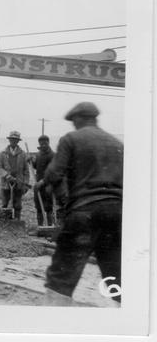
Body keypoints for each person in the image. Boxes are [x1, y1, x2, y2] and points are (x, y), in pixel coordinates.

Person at [38, 102, 123, 305]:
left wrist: (43, 182)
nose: (73, 126)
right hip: (117, 214)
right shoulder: (117, 143)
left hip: (84, 213)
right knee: (117, 274)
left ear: (79, 119)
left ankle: (53, 323)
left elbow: (55, 172)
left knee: (62, 273)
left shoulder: (72, 139)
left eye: (74, 122)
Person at [0, 131, 30, 220]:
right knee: (5, 204)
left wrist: (25, 183)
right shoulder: (2, 153)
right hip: (6, 184)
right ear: (9, 140)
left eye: (15, 140)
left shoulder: (23, 154)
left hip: (19, 184)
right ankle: (5, 223)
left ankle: (17, 223)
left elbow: (26, 171)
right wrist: (7, 176)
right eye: (12, 139)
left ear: (18, 141)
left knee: (17, 205)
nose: (13, 141)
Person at [30, 135, 55, 226]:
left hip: (48, 185)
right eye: (41, 143)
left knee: (48, 207)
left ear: (48, 143)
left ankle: (50, 226)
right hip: (38, 185)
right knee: (39, 206)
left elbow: (53, 172)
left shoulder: (52, 155)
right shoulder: (39, 154)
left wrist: (43, 181)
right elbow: (36, 167)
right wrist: (31, 162)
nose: (43, 145)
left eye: (45, 143)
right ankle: (40, 227)